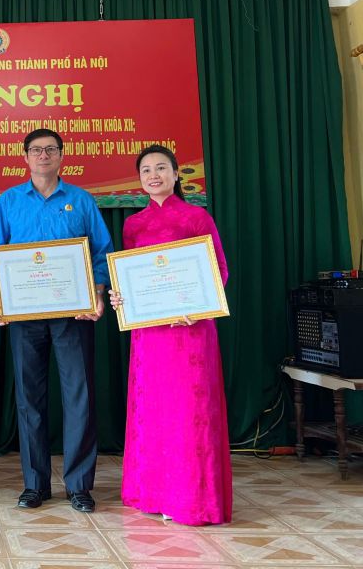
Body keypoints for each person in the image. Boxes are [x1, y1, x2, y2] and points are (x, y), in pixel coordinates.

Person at [0, 128, 111, 512]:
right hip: (24, 316)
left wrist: (99, 295)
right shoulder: (9, 201)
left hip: (73, 313)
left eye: (50, 150)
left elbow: (102, 255)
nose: (43, 156)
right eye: (36, 150)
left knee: (79, 396)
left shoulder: (81, 201)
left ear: (61, 156)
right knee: (29, 399)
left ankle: (79, 486)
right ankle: (35, 484)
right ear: (25, 157)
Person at [108, 144, 232, 525]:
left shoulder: (197, 217)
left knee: (188, 410)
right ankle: (155, 494)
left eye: (162, 168)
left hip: (190, 330)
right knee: (155, 409)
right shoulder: (134, 224)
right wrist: (120, 296)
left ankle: (194, 501)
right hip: (150, 335)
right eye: (146, 170)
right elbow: (132, 274)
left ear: (178, 175)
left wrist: (194, 309)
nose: (154, 175)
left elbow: (219, 272)